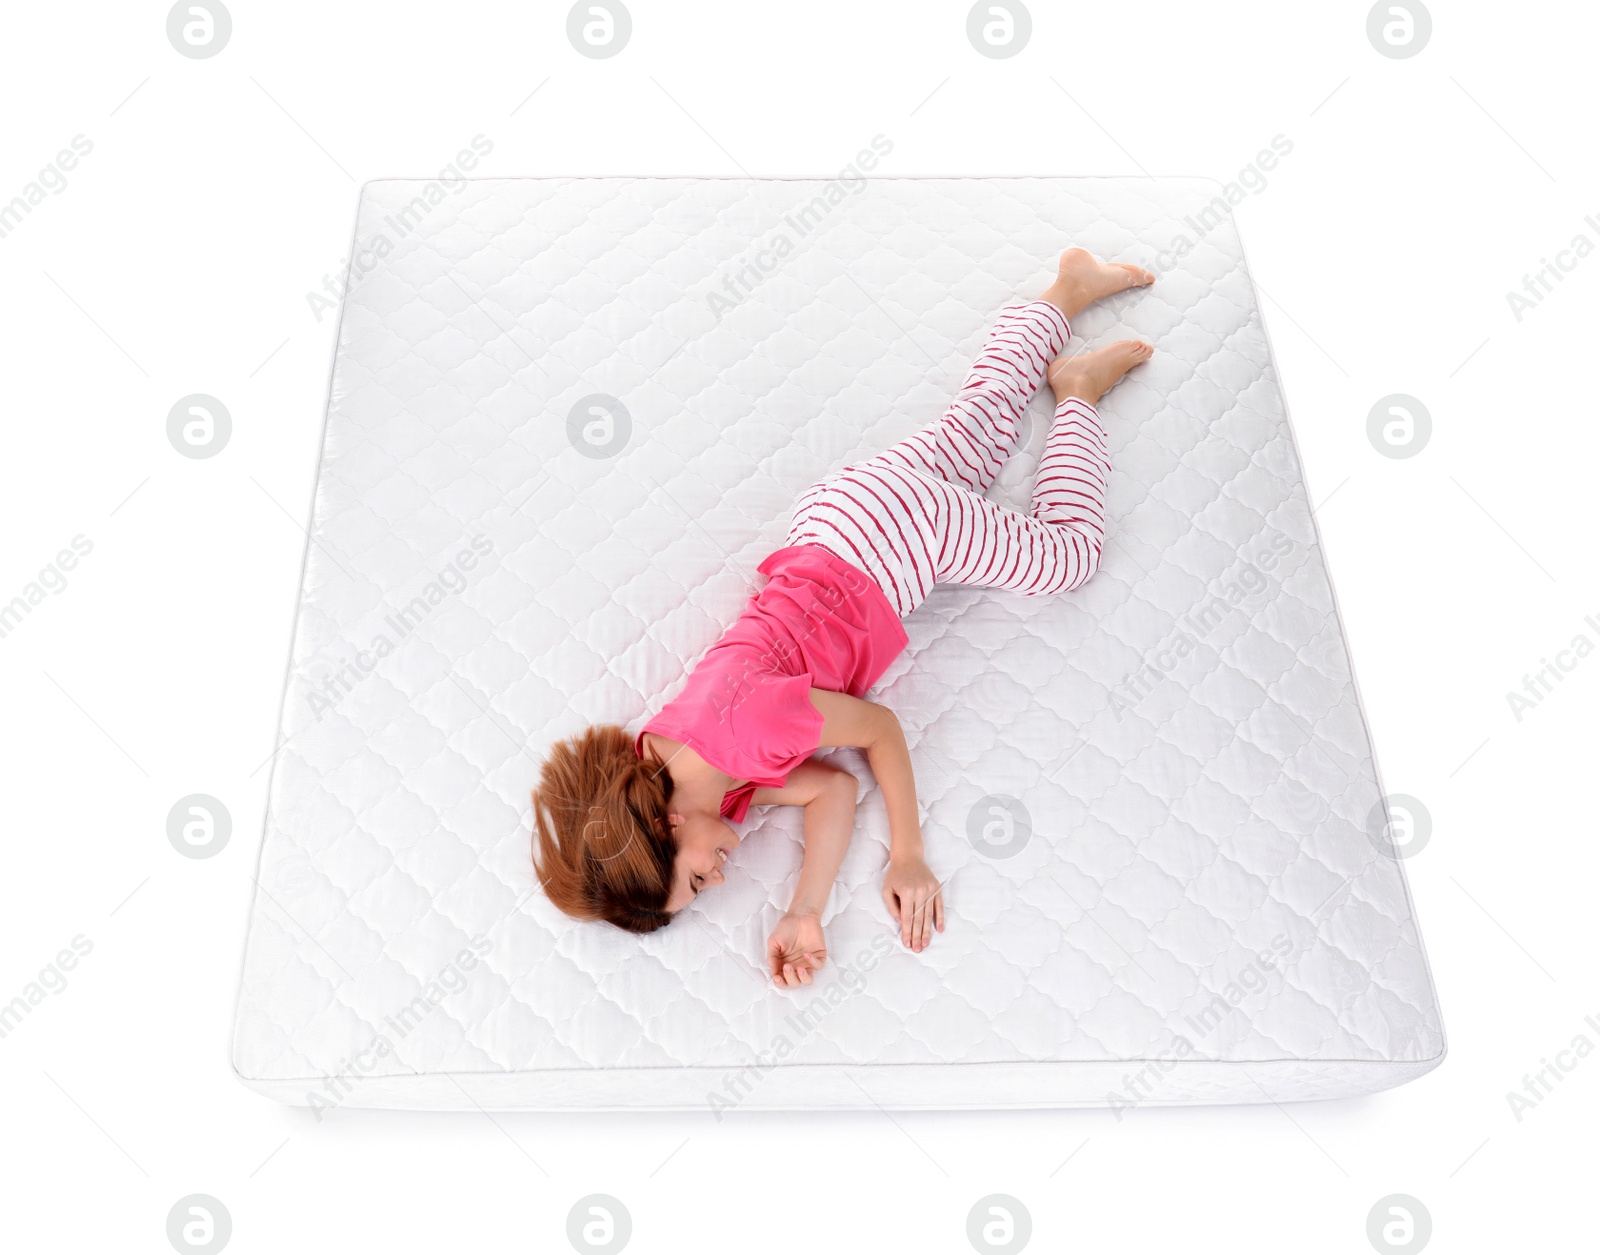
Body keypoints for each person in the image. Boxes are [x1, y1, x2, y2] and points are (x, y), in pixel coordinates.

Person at [532, 247, 1155, 987]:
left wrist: (908, 851)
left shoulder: (749, 737)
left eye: (696, 880)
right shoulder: (677, 762)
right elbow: (829, 788)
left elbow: (878, 730)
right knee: (981, 432)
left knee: (1070, 558)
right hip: (840, 515)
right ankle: (1064, 290)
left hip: (898, 542)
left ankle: (1077, 392)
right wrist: (806, 910)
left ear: (668, 828)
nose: (719, 881)